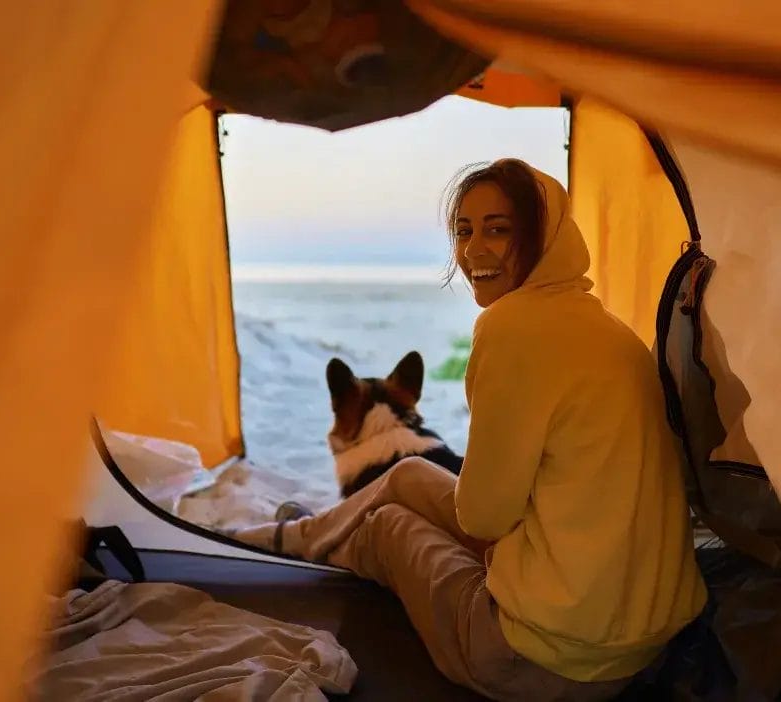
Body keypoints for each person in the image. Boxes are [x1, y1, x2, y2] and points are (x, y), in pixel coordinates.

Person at [232, 159, 708, 701]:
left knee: (387, 526)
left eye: (498, 230)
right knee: (409, 474)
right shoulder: (611, 328)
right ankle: (301, 534)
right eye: (464, 231)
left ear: (544, 235)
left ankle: (287, 544)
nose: (474, 249)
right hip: (643, 643)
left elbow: (484, 517)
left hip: (546, 658)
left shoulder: (511, 326)